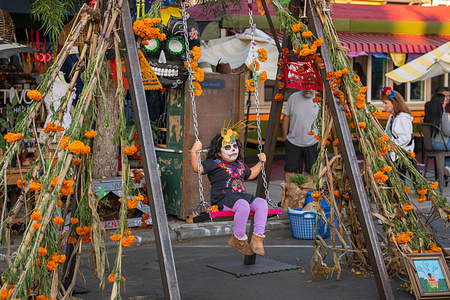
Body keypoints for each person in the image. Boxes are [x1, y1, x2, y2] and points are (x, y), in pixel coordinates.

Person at [190, 125, 268, 256]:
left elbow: (251, 174)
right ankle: (238, 239)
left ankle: (257, 239)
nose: (233, 150)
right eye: (227, 147)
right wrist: (193, 152)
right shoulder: (213, 163)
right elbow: (197, 168)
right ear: (219, 152)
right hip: (223, 198)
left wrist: (261, 163)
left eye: (235, 147)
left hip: (240, 196)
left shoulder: (240, 165)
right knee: (243, 206)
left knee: (262, 203)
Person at [282, 89, 319, 183]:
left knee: (313, 172)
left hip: (314, 142)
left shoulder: (320, 97)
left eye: (311, 86)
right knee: (290, 171)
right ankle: (291, 196)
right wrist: (285, 137)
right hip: (293, 142)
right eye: (306, 86)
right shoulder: (293, 97)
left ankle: (311, 196)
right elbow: (286, 117)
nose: (308, 90)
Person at [380, 86, 414, 175]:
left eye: (386, 103)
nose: (384, 106)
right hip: (395, 154)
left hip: (400, 155)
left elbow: (405, 138)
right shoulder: (393, 116)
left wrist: (390, 146)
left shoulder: (402, 117)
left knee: (398, 181)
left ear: (394, 103)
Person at [423, 93, 450, 175]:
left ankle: (446, 166)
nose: (446, 103)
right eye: (445, 101)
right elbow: (447, 132)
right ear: (441, 103)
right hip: (440, 145)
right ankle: (447, 166)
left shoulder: (428, 115)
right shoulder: (442, 114)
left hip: (428, 144)